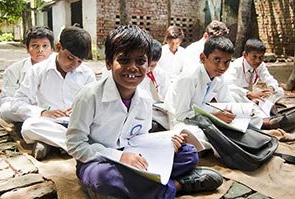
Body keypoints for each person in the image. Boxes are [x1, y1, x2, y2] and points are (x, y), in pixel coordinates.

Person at [66, 25, 223, 199]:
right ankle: (178, 185)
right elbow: (76, 145)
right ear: (109, 63)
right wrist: (120, 156)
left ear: (149, 65)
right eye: (124, 60)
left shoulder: (145, 99)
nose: (133, 67)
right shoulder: (89, 96)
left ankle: (136, 187)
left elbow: (140, 137)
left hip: (135, 158)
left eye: (140, 61)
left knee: (189, 154)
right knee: (102, 178)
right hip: (100, 161)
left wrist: (165, 140)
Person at [164, 36, 263, 153]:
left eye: (227, 62)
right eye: (216, 60)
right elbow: (181, 114)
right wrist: (214, 116)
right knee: (192, 134)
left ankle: (224, 140)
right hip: (183, 119)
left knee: (255, 117)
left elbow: (228, 102)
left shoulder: (219, 78)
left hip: (206, 116)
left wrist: (241, 112)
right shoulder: (189, 78)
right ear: (203, 58)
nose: (222, 67)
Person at [10, 26, 96, 160]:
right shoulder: (38, 70)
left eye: (79, 61)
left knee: (99, 129)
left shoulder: (87, 74)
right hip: (49, 123)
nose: (74, 65)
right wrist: (43, 113)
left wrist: (79, 110)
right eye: (70, 58)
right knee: (28, 127)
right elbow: (17, 103)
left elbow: (93, 105)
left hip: (77, 124)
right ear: (58, 47)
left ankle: (51, 144)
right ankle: (79, 146)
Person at [0, 26, 54, 124]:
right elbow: (6, 103)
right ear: (27, 49)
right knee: (5, 110)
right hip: (25, 111)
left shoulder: (59, 69)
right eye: (35, 46)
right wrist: (33, 111)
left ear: (52, 49)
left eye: (45, 46)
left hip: (53, 111)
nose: (40, 50)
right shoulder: (13, 71)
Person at [224, 38, 284, 116]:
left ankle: (258, 105)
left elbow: (269, 79)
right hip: (241, 94)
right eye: (254, 57)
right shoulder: (236, 66)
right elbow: (229, 86)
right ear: (245, 55)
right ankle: (256, 107)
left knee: (279, 91)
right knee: (233, 95)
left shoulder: (261, 65)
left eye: (261, 57)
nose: (257, 61)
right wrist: (249, 94)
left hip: (254, 95)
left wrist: (271, 88)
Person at [139, 39, 171, 131]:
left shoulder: (160, 74)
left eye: (153, 65)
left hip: (155, 111)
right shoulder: (134, 74)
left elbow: (168, 95)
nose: (148, 69)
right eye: (146, 64)